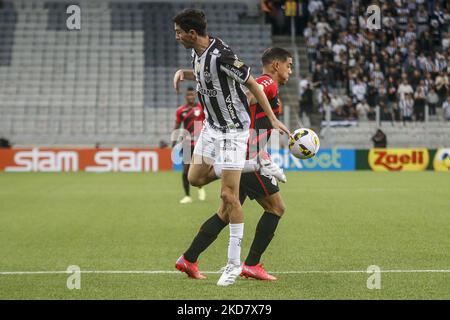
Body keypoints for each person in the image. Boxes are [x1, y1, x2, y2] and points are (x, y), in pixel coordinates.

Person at [172, 9, 290, 286]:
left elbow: (242, 83)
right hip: (219, 131)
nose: (176, 37)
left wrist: (271, 119)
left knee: (228, 203)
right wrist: (184, 73)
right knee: (197, 179)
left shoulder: (220, 53)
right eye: (289, 65)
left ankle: (220, 263)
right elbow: (238, 83)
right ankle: (245, 263)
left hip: (233, 134)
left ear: (191, 33)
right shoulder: (201, 55)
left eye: (178, 32)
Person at [172, 87, 206, 204]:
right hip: (187, 144)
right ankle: (187, 196)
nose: (190, 97)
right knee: (186, 170)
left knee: (198, 170)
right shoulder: (181, 110)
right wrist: (173, 141)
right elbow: (177, 126)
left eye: (192, 95)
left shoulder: (201, 108)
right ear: (185, 96)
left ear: (195, 95)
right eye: (188, 95)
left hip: (199, 143)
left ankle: (200, 188)